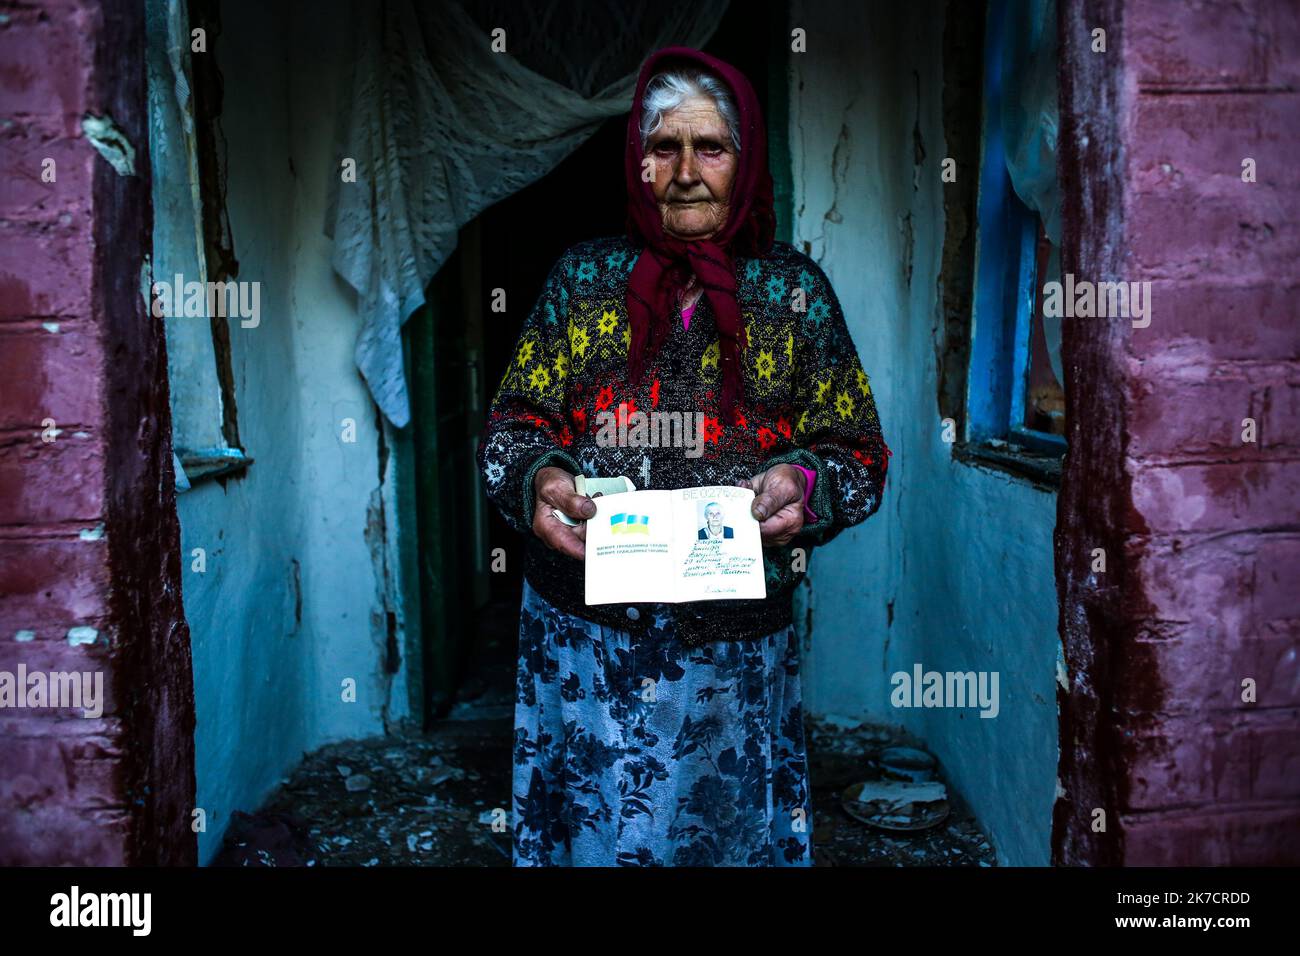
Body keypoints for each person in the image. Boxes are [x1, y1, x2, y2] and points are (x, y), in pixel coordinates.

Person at [477, 46, 889, 866]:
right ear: (639, 161)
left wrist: (805, 486)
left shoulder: (793, 294)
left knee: (721, 831)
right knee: (599, 831)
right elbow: (510, 429)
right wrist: (539, 483)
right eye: (664, 147)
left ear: (745, 161)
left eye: (712, 147)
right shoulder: (581, 281)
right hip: (585, 636)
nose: (687, 171)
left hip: (729, 643)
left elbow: (859, 453)